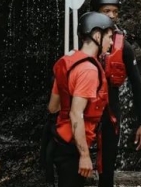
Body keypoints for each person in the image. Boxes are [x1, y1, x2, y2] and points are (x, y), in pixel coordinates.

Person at [48, 12, 116, 187]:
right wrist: (85, 156)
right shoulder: (89, 70)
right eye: (109, 37)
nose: (111, 42)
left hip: (59, 142)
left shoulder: (68, 61)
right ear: (97, 36)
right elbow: (76, 114)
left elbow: (53, 107)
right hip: (73, 148)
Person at [90, 0, 141, 187]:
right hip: (86, 110)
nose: (112, 16)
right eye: (107, 11)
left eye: (115, 11)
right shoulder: (83, 42)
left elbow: (137, 86)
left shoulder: (124, 47)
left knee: (107, 167)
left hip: (110, 112)